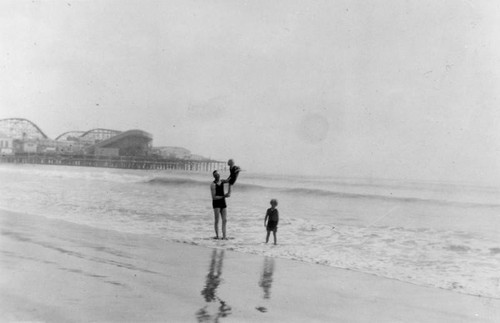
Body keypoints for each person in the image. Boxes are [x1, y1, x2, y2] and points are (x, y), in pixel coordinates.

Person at [211, 170, 229, 240]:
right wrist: (224, 196)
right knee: (217, 220)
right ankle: (217, 235)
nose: (217, 176)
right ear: (214, 176)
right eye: (215, 175)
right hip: (216, 202)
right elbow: (214, 197)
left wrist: (235, 173)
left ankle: (224, 236)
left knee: (225, 220)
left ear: (219, 175)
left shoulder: (222, 181)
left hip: (223, 202)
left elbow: (229, 181)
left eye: (218, 175)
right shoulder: (213, 184)